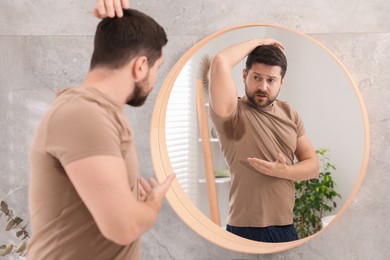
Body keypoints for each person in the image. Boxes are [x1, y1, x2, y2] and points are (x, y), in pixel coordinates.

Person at [28, 5, 175, 259]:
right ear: (140, 66)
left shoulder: (99, 113)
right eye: (157, 67)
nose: (154, 79)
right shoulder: (84, 115)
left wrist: (130, 203)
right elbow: (123, 227)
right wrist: (152, 204)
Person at [209, 39, 320, 243]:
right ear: (245, 75)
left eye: (271, 80)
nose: (262, 86)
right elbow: (219, 61)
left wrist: (284, 171)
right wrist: (259, 42)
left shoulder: (290, 113)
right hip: (245, 229)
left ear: (281, 82)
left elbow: (313, 166)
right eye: (256, 77)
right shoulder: (231, 112)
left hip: (286, 226)